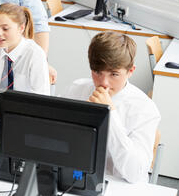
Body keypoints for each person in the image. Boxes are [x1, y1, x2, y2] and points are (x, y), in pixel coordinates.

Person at [63, 31, 161, 183]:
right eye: (97, 72)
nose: (104, 82)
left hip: (120, 185)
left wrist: (110, 116)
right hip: (77, 178)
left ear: (130, 72)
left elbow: (135, 173)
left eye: (114, 74)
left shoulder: (145, 109)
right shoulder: (77, 89)